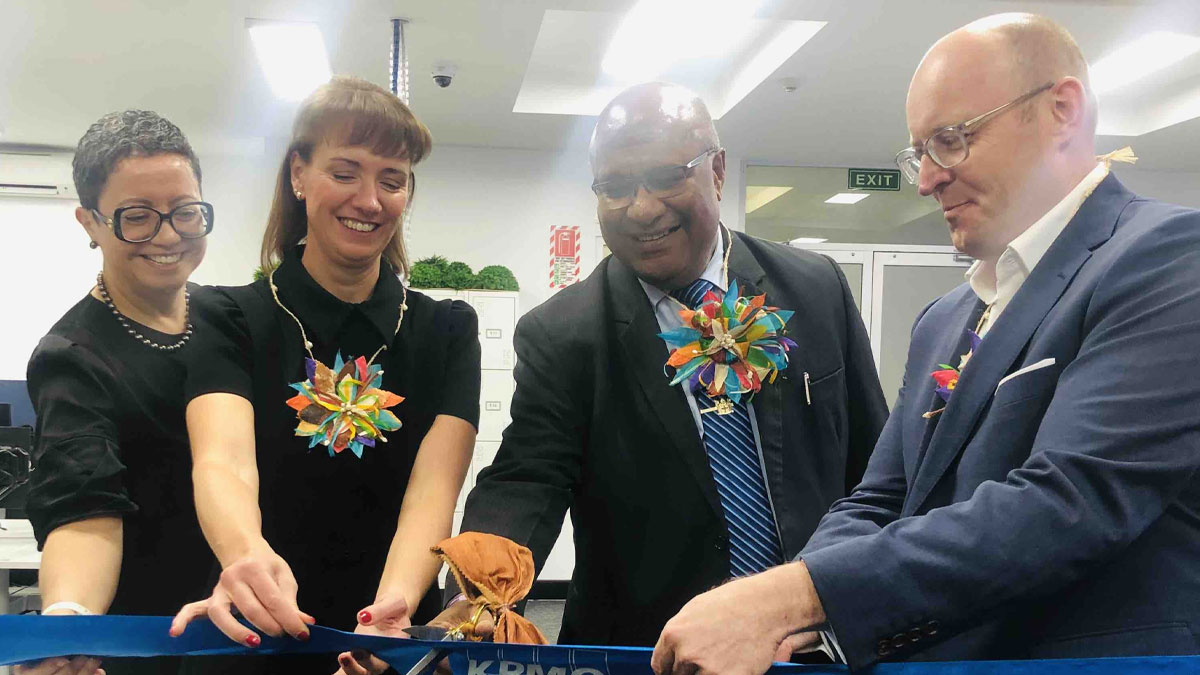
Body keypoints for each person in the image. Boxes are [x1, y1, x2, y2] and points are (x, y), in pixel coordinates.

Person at [652, 13, 1200, 675]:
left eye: (951, 140)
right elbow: (881, 498)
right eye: (920, 152)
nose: (926, 179)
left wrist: (791, 596)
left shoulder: (1167, 259)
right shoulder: (945, 319)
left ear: (1061, 110)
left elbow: (1069, 502)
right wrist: (791, 621)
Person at [429, 82, 887, 651]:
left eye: (668, 177)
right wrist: (479, 600)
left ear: (717, 171)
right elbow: (527, 478)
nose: (642, 208)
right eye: (615, 187)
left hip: (817, 642)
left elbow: (876, 466)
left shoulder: (815, 288)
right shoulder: (564, 333)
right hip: (650, 649)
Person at [169, 76, 480, 675]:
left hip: (389, 636)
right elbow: (223, 462)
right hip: (251, 624)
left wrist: (390, 614)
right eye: (345, 172)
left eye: (392, 180)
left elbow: (434, 491)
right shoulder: (228, 316)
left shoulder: (447, 329)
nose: (369, 200)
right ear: (298, 175)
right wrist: (248, 559)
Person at [20, 110, 216, 675]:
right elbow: (83, 504)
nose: (168, 235)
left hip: (264, 631)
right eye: (137, 216)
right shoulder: (72, 356)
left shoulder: (229, 319)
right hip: (153, 644)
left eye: (185, 211)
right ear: (90, 223)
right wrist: (69, 618)